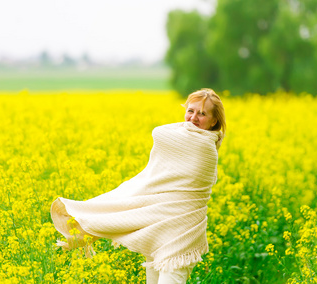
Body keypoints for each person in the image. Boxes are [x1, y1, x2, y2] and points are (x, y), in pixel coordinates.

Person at [50, 88, 226, 284]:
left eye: (202, 113)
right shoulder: (192, 138)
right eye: (190, 110)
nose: (193, 118)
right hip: (159, 228)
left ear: (213, 121)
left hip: (181, 232)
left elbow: (160, 133)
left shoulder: (204, 148)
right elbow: (161, 137)